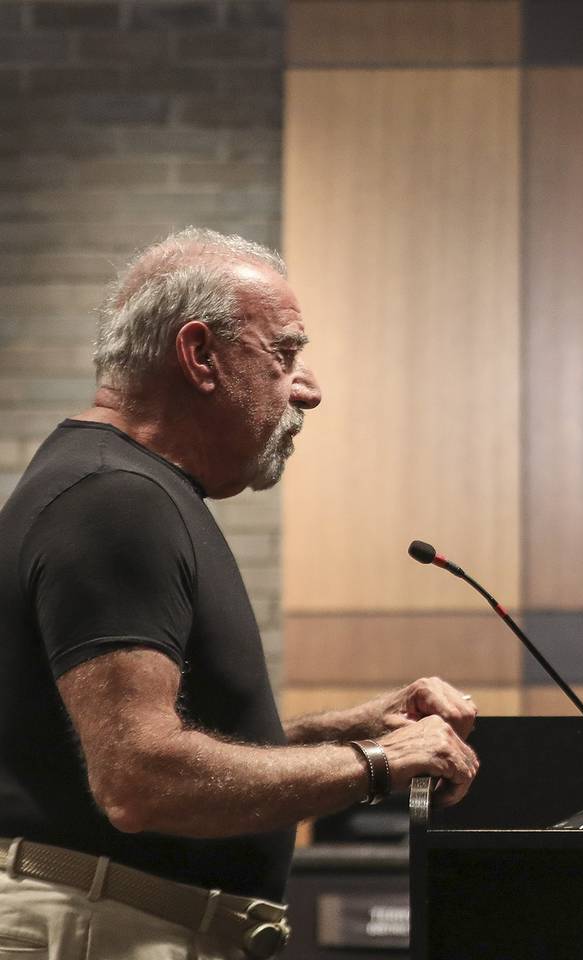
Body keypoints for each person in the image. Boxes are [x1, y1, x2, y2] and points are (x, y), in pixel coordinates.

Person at [0, 228, 480, 959]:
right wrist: (379, 766)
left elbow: (128, 759)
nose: (309, 388)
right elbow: (141, 779)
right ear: (200, 357)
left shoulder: (124, 489)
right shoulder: (115, 499)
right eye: (284, 354)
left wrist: (352, 732)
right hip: (104, 930)